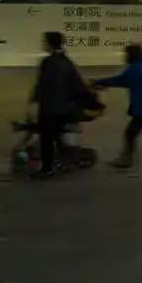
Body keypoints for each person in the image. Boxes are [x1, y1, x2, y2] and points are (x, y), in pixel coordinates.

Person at [94, 43, 142, 170]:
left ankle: (126, 161)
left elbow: (121, 80)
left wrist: (98, 82)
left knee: (130, 133)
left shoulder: (135, 69)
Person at [31, 32, 88, 176]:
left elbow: (44, 85)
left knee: (47, 139)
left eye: (44, 41)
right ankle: (68, 160)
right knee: (57, 135)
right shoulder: (66, 61)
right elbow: (77, 84)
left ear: (49, 43)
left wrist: (36, 99)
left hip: (51, 108)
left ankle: (47, 168)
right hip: (64, 107)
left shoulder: (49, 62)